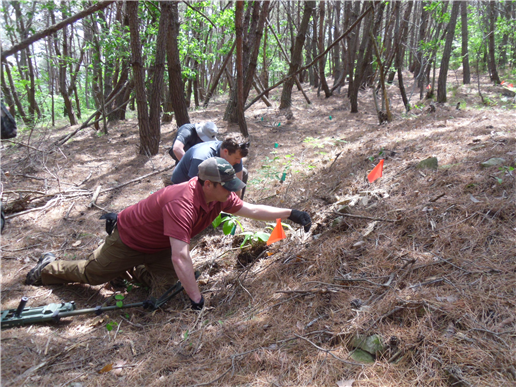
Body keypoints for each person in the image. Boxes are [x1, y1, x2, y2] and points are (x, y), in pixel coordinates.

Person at [25, 157, 311, 311]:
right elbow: (181, 255)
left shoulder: (220, 196)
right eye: (227, 186)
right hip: (130, 239)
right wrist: (197, 300)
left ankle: (131, 271)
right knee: (94, 274)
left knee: (166, 289)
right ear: (208, 184)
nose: (232, 191)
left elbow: (250, 209)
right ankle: (47, 267)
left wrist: (289, 213)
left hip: (159, 245)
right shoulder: (182, 202)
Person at [171, 132, 249, 199]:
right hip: (183, 186)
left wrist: (234, 212)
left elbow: (237, 188)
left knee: (243, 172)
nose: (239, 162)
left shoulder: (234, 153)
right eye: (237, 158)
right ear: (225, 151)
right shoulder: (202, 158)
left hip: (208, 182)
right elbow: (196, 190)